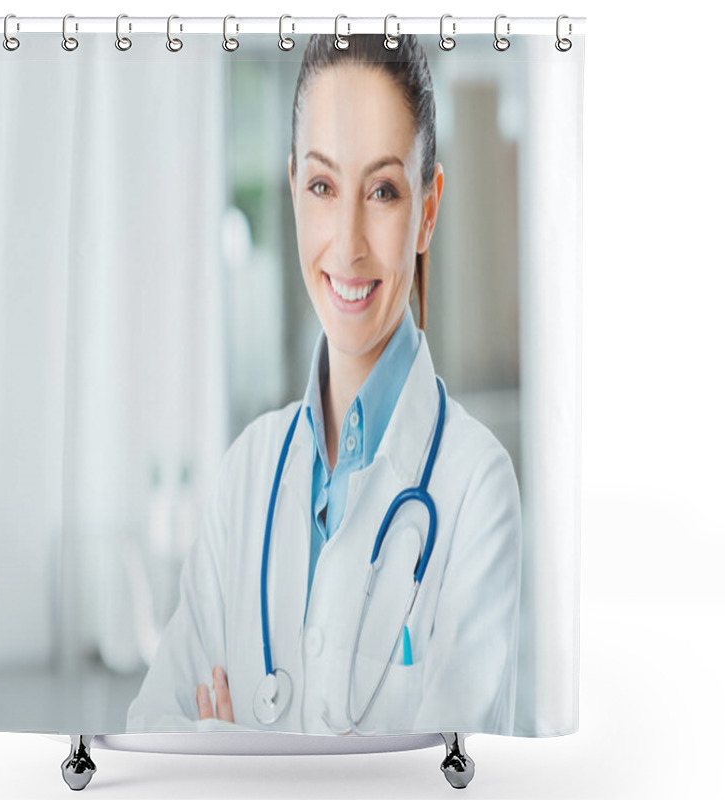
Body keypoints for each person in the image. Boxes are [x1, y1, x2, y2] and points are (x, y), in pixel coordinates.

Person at [126, 33, 521, 736]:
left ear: (427, 210)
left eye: (382, 191)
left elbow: (443, 782)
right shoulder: (247, 470)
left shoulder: (476, 490)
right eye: (322, 185)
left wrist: (229, 760)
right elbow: (151, 738)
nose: (346, 242)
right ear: (293, 191)